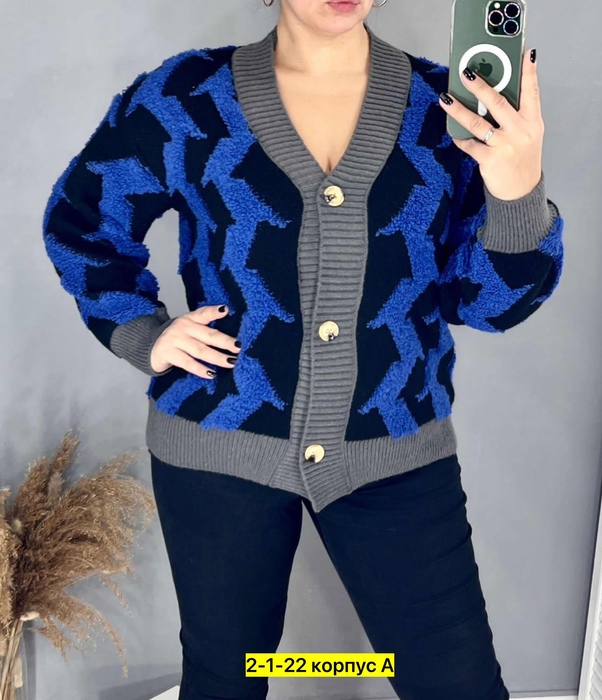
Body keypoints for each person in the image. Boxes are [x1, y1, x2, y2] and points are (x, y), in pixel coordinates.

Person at [42, 0, 565, 698]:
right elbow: (81, 220)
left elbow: (488, 304)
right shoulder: (185, 97)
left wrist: (519, 192)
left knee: (455, 684)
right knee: (228, 679)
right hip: (218, 446)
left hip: (395, 449)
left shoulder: (447, 113)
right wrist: (144, 331)